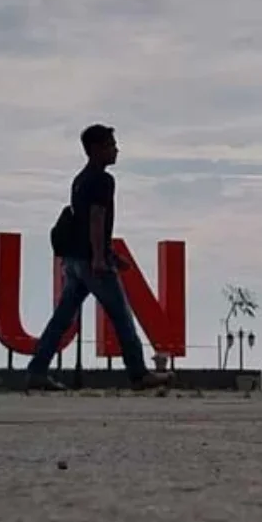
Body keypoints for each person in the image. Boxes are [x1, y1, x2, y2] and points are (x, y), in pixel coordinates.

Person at [26, 124, 172, 392]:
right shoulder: (103, 181)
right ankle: (139, 375)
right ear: (96, 149)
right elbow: (96, 219)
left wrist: (110, 253)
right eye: (111, 144)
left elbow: (82, 222)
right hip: (92, 263)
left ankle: (37, 370)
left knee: (62, 318)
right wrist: (100, 258)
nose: (116, 149)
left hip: (74, 261)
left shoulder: (80, 179)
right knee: (122, 317)